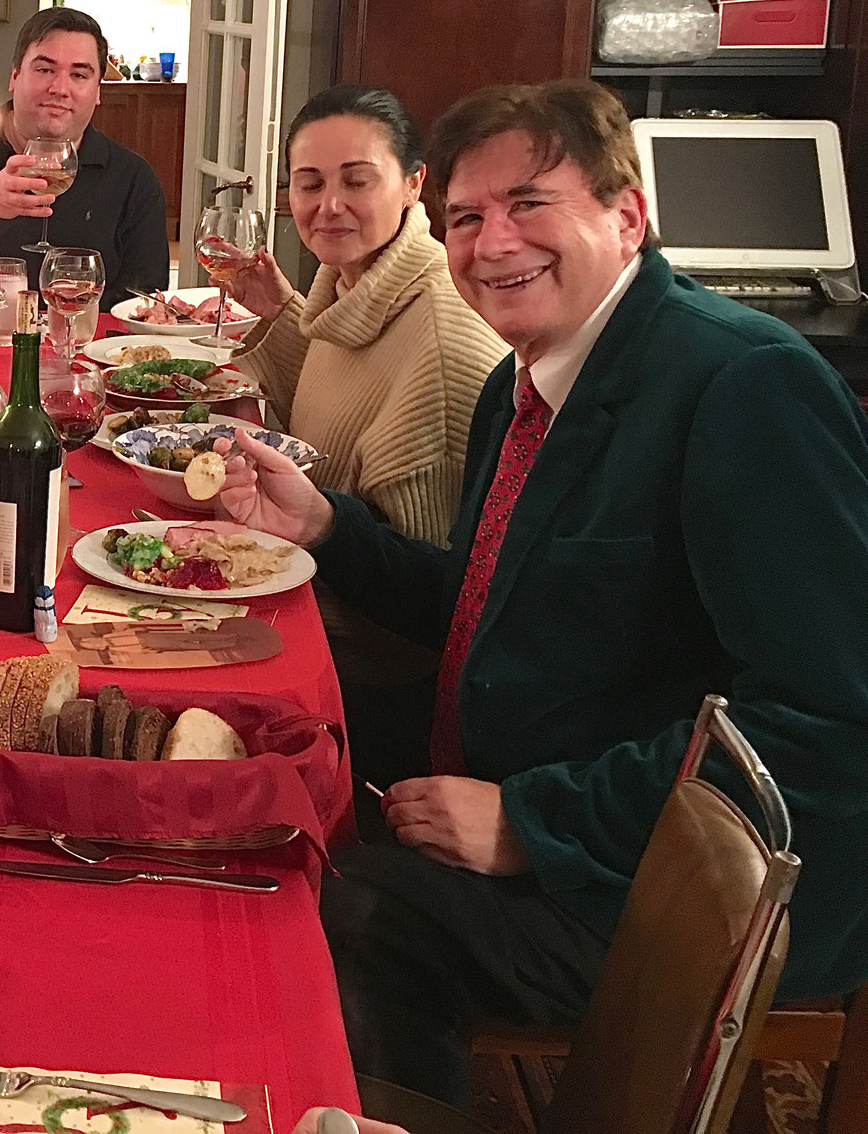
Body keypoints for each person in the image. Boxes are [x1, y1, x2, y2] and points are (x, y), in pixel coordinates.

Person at [213, 80, 868, 1106]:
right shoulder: (517, 384)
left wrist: (532, 818)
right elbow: (478, 601)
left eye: (528, 203)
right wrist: (328, 529)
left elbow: (822, 719)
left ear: (625, 214)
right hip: (522, 773)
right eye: (465, 218)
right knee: (271, 748)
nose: (490, 242)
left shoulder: (740, 387)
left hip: (665, 889)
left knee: (345, 910)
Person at [219, 88, 508, 782]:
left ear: (414, 183)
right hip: (308, 598)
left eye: (358, 179)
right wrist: (282, 312)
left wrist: (317, 523)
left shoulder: (439, 339)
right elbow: (329, 421)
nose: (329, 205)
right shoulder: (351, 285)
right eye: (309, 183)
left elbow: (435, 600)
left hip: (363, 679)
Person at [0, 6, 170, 308]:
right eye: (45, 69)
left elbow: (144, 304)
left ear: (98, 91)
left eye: (79, 75)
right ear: (14, 76)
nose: (60, 88)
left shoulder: (133, 178)